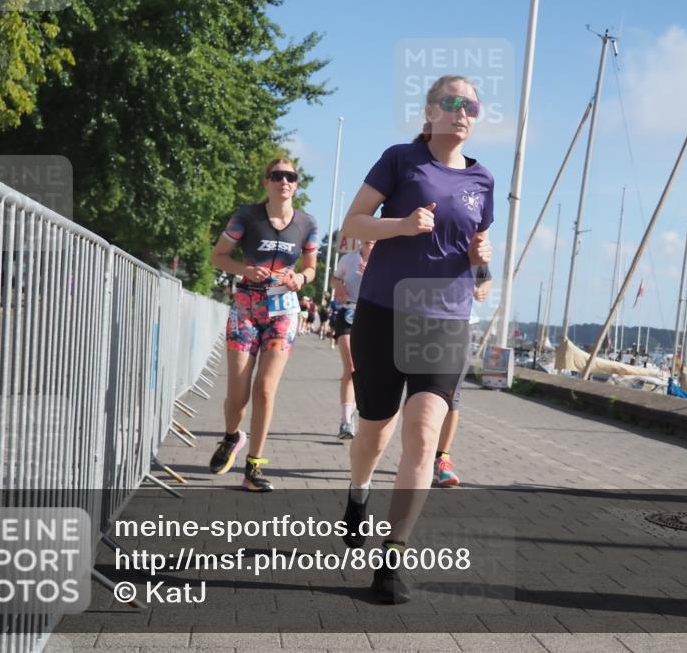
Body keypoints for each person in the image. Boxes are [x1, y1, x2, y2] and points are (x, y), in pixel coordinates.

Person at [338, 75, 493, 603]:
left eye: (469, 104)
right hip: (384, 312)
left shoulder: (483, 182)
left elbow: (478, 261)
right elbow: (351, 225)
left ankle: (392, 557)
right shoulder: (401, 160)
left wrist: (482, 265)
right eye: (450, 102)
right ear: (429, 113)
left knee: (424, 435)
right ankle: (358, 497)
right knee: (374, 432)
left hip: (446, 321)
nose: (461, 111)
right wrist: (401, 225)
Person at [208, 158, 318, 492]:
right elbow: (218, 256)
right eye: (277, 176)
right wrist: (244, 269)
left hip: (283, 309)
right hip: (246, 307)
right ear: (266, 182)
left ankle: (253, 467)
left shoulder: (307, 223)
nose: (284, 181)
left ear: (296, 184)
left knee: (266, 389)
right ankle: (231, 438)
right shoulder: (246, 216)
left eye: (290, 177)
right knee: (238, 394)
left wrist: (301, 276)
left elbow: (311, 268)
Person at [434, 265, 492, 487]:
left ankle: (442, 459)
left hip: (460, 327)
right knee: (419, 395)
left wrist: (482, 290)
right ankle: (417, 451)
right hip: (421, 326)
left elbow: (486, 278)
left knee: (452, 397)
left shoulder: (472, 248)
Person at [331, 240, 376, 439]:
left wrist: (374, 275)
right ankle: (345, 422)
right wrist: (338, 286)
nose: (370, 239)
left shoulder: (384, 261)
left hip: (373, 317)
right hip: (348, 313)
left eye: (375, 235)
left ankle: (356, 410)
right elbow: (335, 278)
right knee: (350, 367)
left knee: (365, 371)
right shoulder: (348, 259)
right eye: (367, 234)